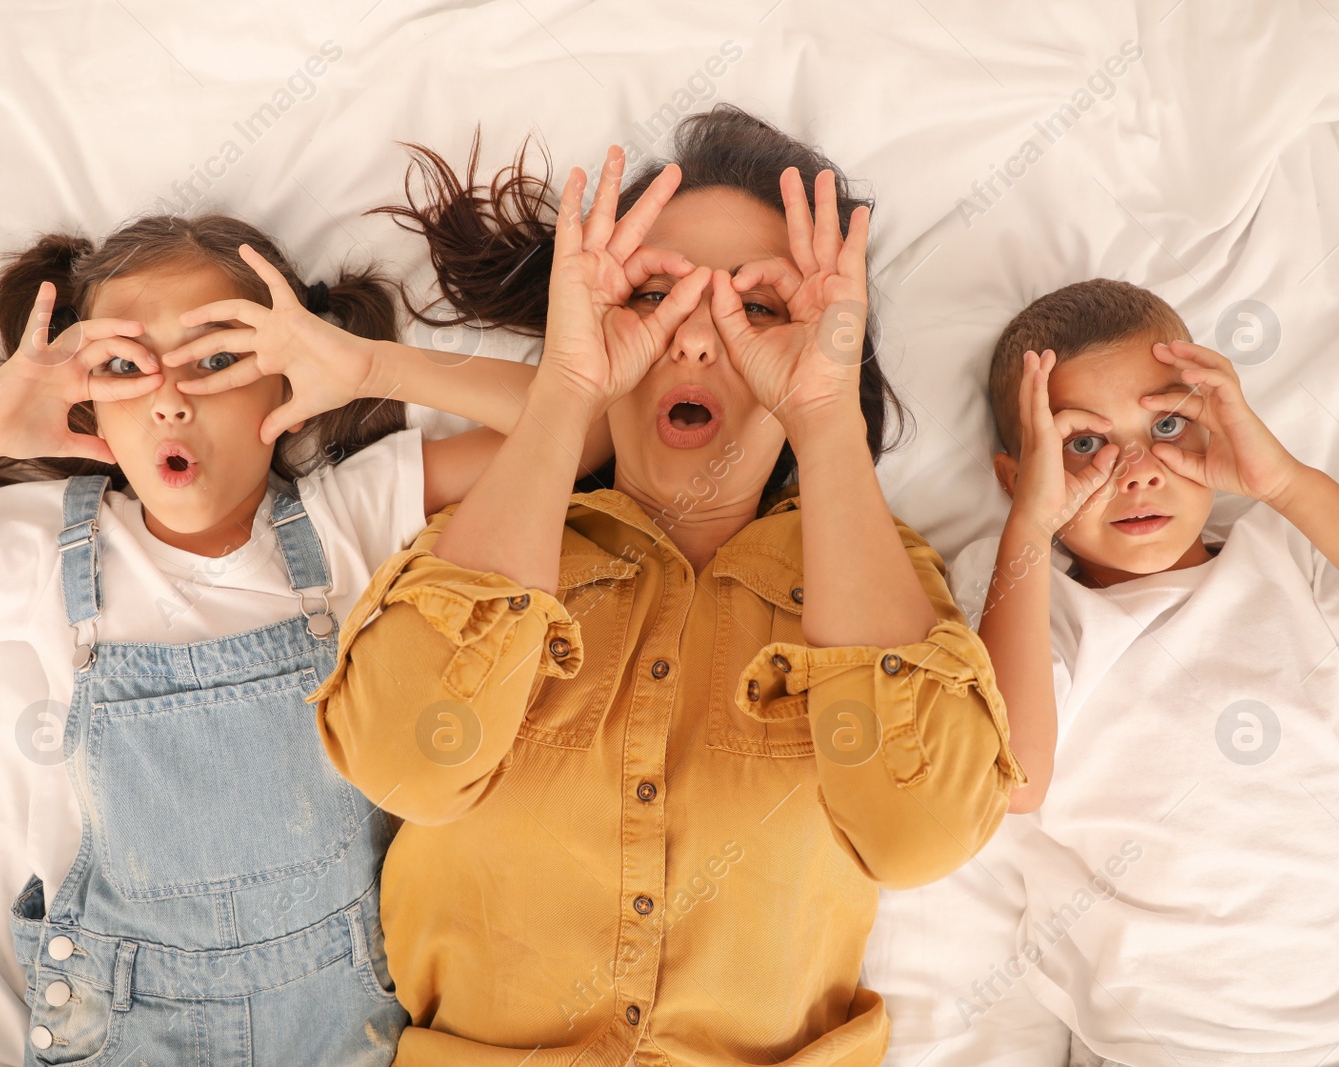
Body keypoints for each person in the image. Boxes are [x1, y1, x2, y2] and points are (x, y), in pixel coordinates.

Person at [310, 107, 1025, 1066]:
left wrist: (823, 418)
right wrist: (566, 387)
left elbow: (921, 831)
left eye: (757, 310)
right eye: (657, 296)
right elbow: (403, 760)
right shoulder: (490, 548)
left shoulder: (880, 579)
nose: (696, 338)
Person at [0, 213, 606, 1065]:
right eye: (125, 368)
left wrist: (369, 367)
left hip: (345, 1025)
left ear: (284, 389)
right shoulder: (43, 548)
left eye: (216, 360)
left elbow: (582, 428)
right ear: (86, 399)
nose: (171, 395)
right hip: (124, 1026)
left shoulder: (349, 515)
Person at [952, 278, 1339, 1065]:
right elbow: (1011, 780)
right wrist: (1027, 530)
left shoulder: (1284, 559)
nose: (1137, 469)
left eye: (1168, 424)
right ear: (1019, 477)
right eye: (1084, 443)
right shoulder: (1022, 591)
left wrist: (1287, 484)